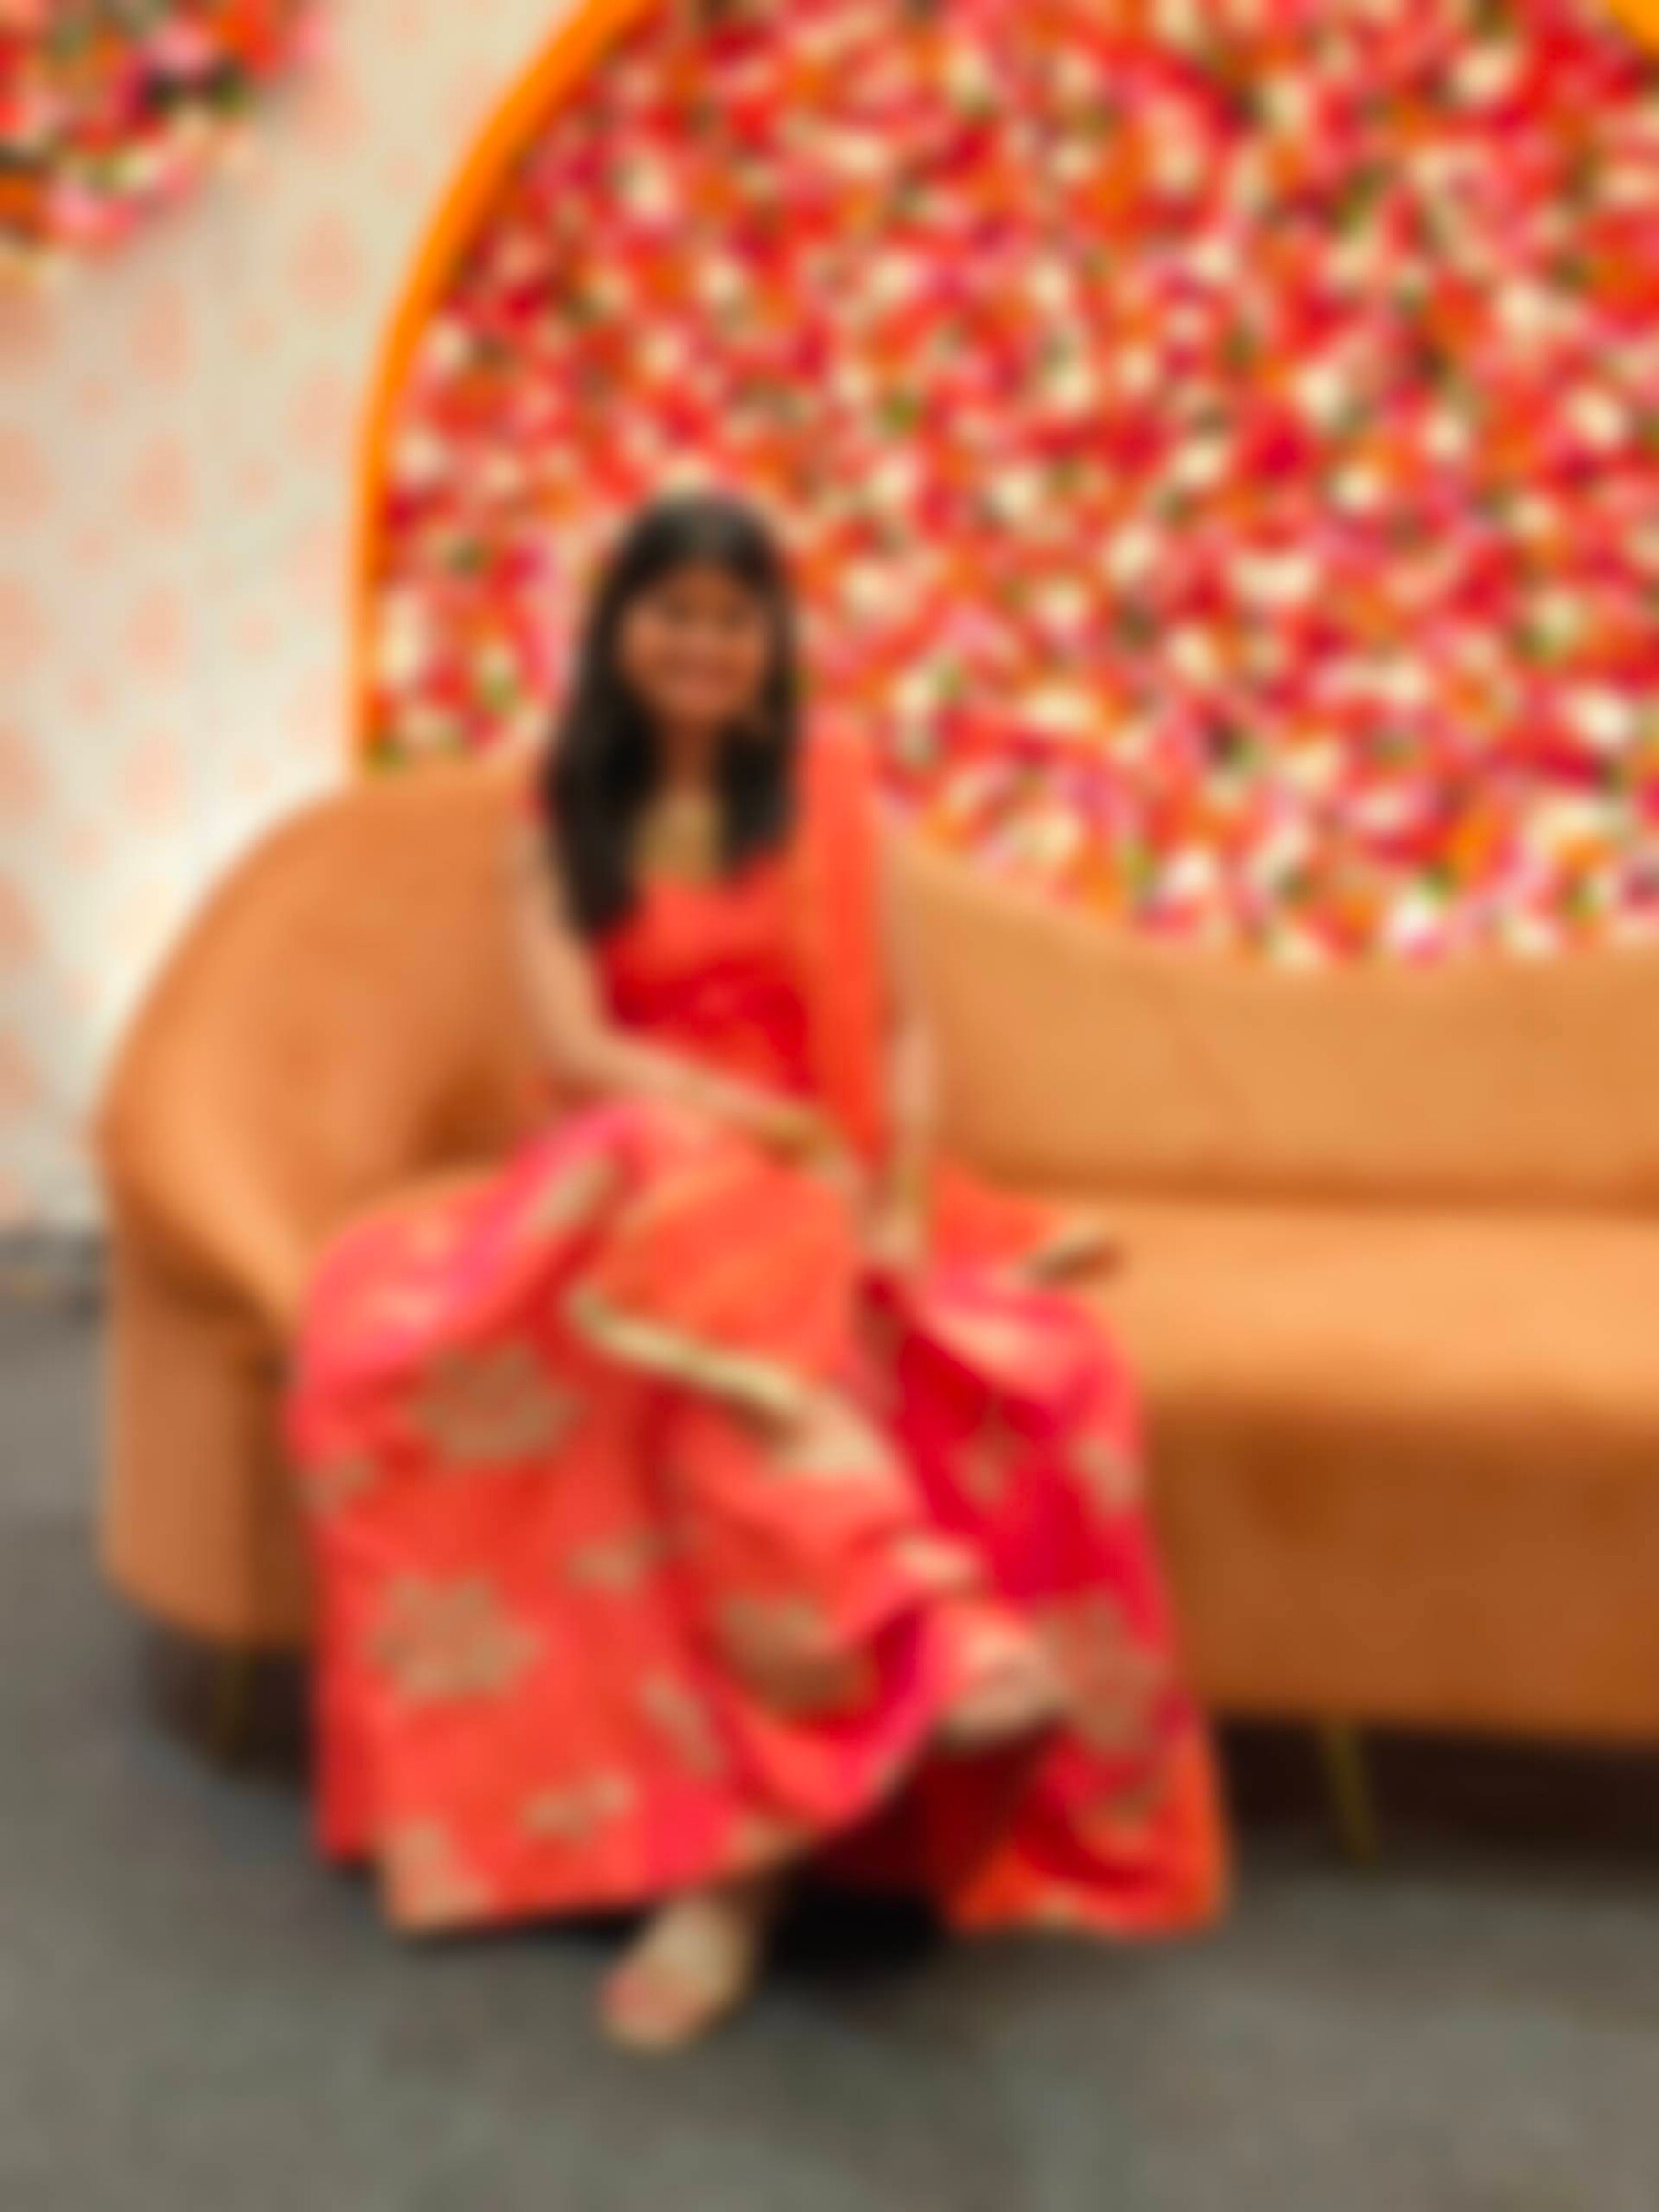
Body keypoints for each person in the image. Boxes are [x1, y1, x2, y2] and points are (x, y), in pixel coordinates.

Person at [287, 493, 1227, 2052]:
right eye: (673, 611)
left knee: (740, 1380)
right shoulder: (557, 812)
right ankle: (912, 1629)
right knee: (680, 1196)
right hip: (641, 1160)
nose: (703, 644)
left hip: (809, 1175)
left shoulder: (829, 796)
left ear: (770, 643)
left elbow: (904, 1031)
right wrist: (739, 1121)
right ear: (618, 631)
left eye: (735, 618)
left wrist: (898, 1194)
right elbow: (579, 1043)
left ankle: (739, 1881)